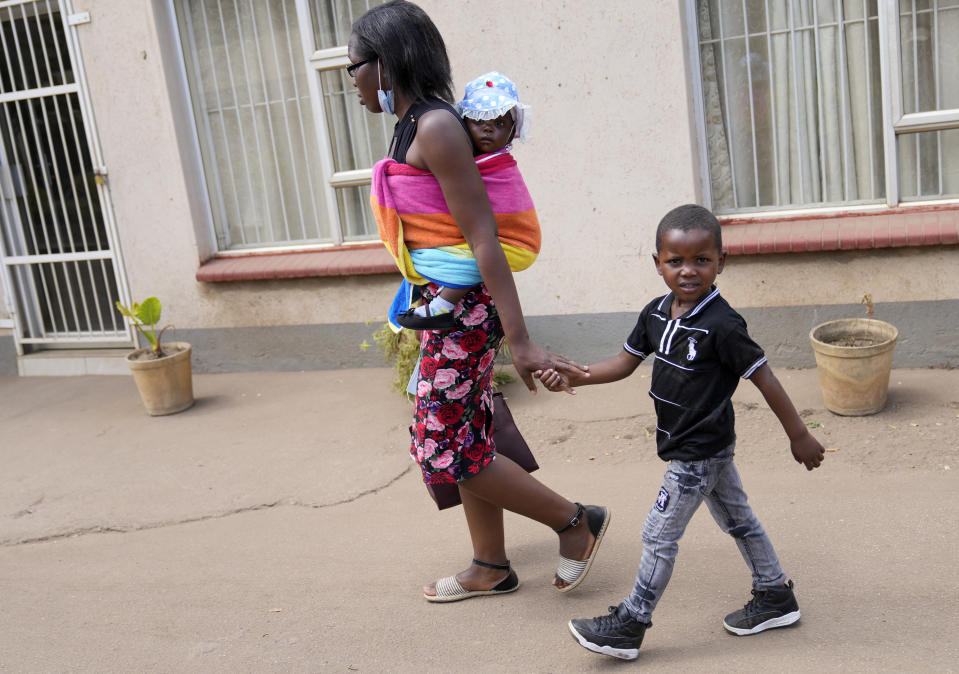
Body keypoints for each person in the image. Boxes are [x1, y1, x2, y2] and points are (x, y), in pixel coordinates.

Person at [348, 0, 611, 601]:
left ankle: (575, 522)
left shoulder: (437, 127)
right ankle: (490, 565)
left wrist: (519, 340)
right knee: (468, 439)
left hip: (465, 313)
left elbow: (483, 235)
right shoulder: (417, 123)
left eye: (354, 67)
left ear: (385, 65)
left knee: (441, 444)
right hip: (448, 308)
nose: (353, 82)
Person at [535, 204, 826, 660]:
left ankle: (631, 623)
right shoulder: (655, 313)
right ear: (658, 263)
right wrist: (576, 375)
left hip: (699, 450)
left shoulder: (723, 325)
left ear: (721, 262)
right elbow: (624, 363)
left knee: (657, 535)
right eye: (676, 261)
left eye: (701, 260)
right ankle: (775, 595)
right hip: (690, 445)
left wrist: (799, 435)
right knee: (739, 520)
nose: (688, 271)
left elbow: (763, 376)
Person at [394, 70, 534, 331]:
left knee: (478, 250)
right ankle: (436, 306)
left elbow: (503, 217)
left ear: (512, 132)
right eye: (479, 119)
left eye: (500, 123)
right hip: (476, 292)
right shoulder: (455, 157)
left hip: (477, 303)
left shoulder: (500, 167)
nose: (489, 128)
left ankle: (441, 306)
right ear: (463, 122)